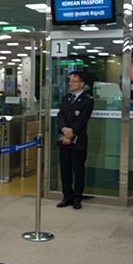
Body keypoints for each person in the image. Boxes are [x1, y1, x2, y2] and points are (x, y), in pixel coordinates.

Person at [56, 70, 94, 210]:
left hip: (78, 142)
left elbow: (82, 121)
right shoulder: (65, 99)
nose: (70, 84)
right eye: (70, 81)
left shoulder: (88, 100)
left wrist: (70, 134)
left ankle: (77, 198)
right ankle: (67, 196)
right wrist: (64, 130)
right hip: (64, 140)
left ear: (82, 83)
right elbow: (60, 116)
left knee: (78, 171)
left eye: (74, 81)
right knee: (65, 170)